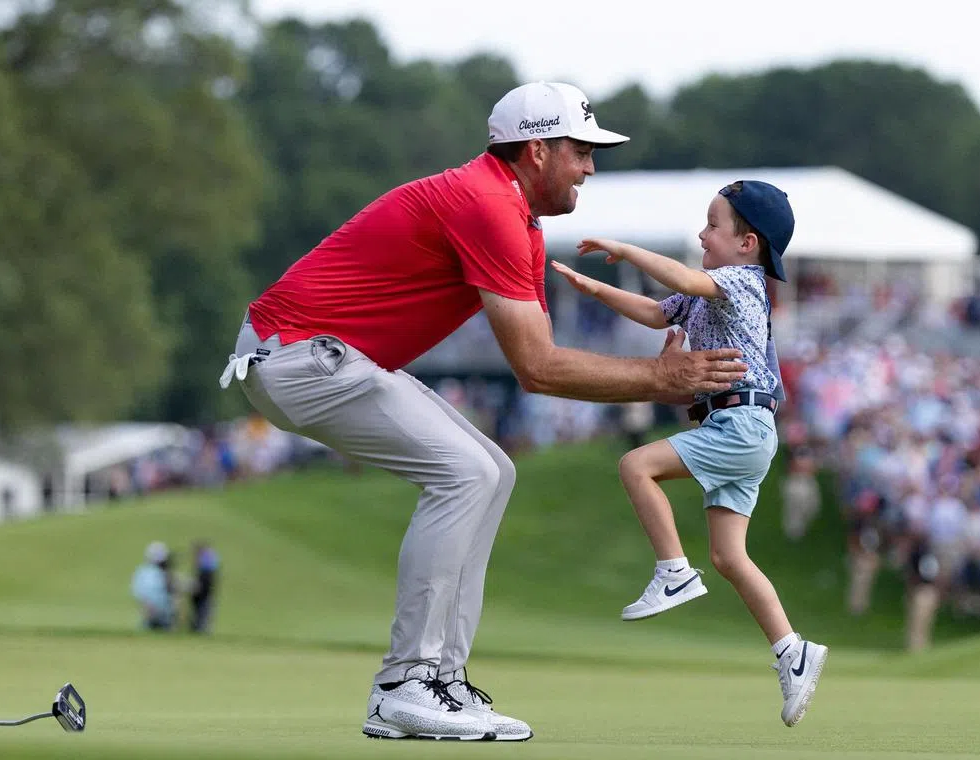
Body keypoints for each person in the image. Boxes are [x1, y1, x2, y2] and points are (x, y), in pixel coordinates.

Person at [218, 81, 749, 742]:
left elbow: (546, 358)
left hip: (321, 357)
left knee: (492, 470)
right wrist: (660, 379)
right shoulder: (487, 205)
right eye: (580, 150)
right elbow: (537, 369)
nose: (589, 166)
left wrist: (663, 377)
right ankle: (404, 684)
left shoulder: (516, 222)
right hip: (294, 355)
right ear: (536, 151)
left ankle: (441, 682)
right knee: (465, 474)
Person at [552, 180, 828, 728]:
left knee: (636, 464)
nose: (702, 233)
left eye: (712, 225)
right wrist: (596, 288)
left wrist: (628, 250)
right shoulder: (706, 293)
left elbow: (679, 278)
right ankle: (791, 651)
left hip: (741, 422)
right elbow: (658, 312)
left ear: (747, 243)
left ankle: (674, 571)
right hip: (741, 425)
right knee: (729, 557)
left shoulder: (742, 282)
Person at [131, 541, 177, 631]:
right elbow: (142, 592)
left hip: (166, 612)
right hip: (152, 611)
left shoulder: (163, 572)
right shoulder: (147, 572)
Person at [188, 541, 220, 634]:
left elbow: (201, 586)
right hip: (202, 598)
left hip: (204, 599)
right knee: (199, 623)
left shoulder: (206, 564)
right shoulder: (206, 563)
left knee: (201, 625)